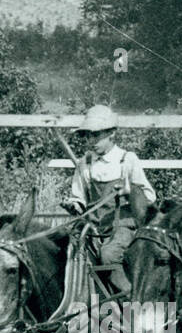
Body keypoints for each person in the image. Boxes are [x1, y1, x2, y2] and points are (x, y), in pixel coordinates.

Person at [60, 104, 157, 294]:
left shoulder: (127, 160)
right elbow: (79, 199)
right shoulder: (85, 164)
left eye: (96, 135)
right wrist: (73, 206)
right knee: (65, 250)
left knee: (109, 254)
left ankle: (132, 296)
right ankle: (78, 305)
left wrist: (127, 191)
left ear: (111, 133)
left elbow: (150, 198)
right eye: (87, 135)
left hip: (122, 226)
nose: (91, 140)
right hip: (93, 227)